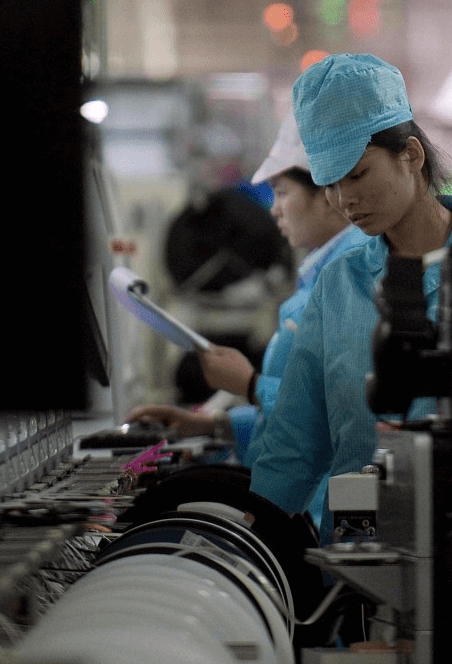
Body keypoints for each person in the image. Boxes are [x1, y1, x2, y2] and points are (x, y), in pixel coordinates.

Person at [248, 53, 452, 523]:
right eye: (331, 184)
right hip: (361, 555)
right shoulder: (338, 285)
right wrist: (247, 540)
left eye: (357, 175)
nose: (345, 200)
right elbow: (296, 444)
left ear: (412, 155)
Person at [126, 115, 367, 509]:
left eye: (282, 192)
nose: (273, 211)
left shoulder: (351, 282)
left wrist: (251, 385)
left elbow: (341, 417)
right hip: (306, 503)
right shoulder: (320, 282)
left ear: (327, 195)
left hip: (327, 507)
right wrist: (215, 425)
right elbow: (298, 420)